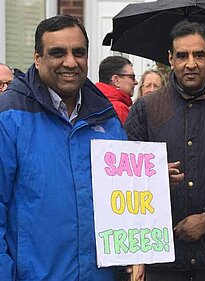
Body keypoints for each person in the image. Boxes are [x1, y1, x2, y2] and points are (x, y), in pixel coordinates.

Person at [124, 20, 205, 280]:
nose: (191, 63)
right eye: (182, 55)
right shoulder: (146, 109)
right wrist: (153, 177)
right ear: (171, 59)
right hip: (162, 257)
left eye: (199, 54)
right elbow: (124, 175)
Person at [0, 15, 127, 280]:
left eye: (78, 52)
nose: (70, 62)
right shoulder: (9, 116)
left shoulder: (108, 118)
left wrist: (150, 184)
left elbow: (122, 197)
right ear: (37, 58)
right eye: (57, 53)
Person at [95, 56, 137, 124]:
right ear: (116, 80)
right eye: (132, 77)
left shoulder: (90, 100)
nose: (136, 82)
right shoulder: (119, 108)